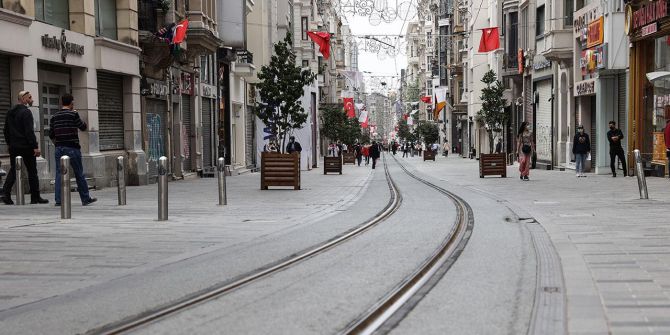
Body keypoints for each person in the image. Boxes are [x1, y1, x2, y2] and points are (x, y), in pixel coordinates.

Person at [2, 91, 49, 205]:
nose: (31, 99)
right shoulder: (26, 112)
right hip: (26, 146)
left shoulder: (10, 112)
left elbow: (5, 130)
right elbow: (29, 131)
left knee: (14, 169)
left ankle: (6, 194)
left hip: (14, 146)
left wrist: (9, 143)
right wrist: (35, 147)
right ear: (23, 99)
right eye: (29, 97)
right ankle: (35, 197)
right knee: (32, 171)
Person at [50, 93, 96, 206]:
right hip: (72, 147)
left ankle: (59, 200)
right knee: (78, 172)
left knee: (59, 174)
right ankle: (85, 198)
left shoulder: (54, 116)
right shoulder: (73, 114)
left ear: (61, 102)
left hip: (59, 148)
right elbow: (83, 127)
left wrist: (57, 143)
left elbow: (51, 134)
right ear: (71, 103)